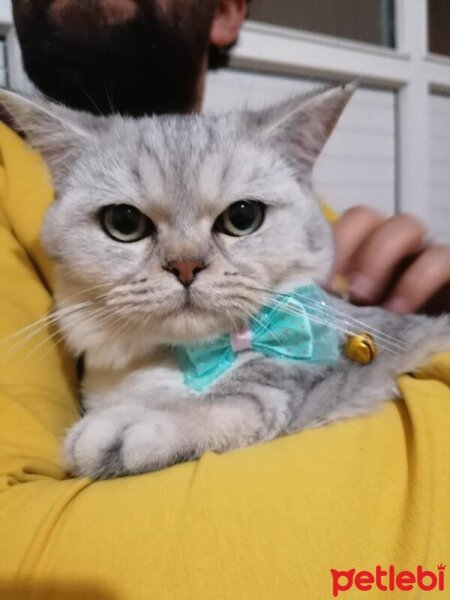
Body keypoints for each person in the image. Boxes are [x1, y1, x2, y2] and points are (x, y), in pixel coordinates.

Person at [0, 2, 449, 599]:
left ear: (228, 12)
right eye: (126, 222)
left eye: (240, 216)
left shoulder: (312, 233)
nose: (186, 265)